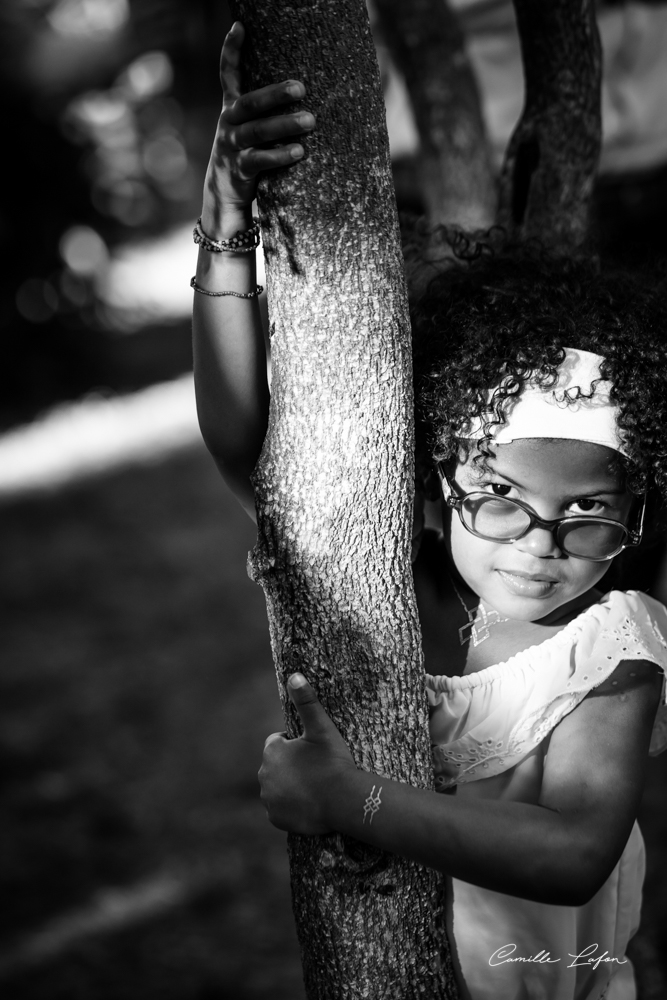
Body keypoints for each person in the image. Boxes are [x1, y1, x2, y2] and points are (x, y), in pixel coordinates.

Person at [192, 23, 667, 1000]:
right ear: (435, 485)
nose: (540, 545)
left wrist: (353, 800)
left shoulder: (613, 651)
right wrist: (226, 234)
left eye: (587, 509)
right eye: (498, 498)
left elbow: (573, 849)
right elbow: (250, 443)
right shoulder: (399, 576)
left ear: (636, 511)